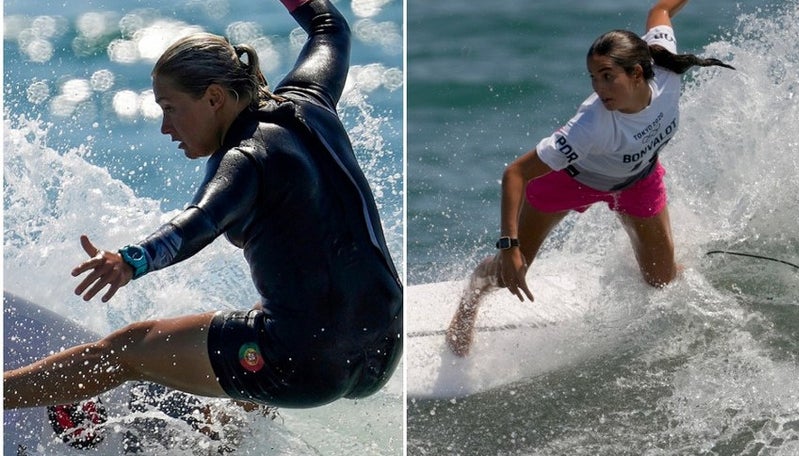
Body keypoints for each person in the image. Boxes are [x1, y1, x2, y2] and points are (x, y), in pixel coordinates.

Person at [5, 0, 402, 411]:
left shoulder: (245, 158)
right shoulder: (309, 100)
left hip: (303, 368)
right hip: (384, 347)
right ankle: (230, 433)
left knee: (127, 348)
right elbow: (329, 26)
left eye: (170, 108)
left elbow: (197, 223)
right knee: (267, 314)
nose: (165, 127)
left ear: (214, 98)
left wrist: (130, 261)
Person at [445, 0, 734, 357]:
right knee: (510, 274)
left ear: (638, 73)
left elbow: (661, 10)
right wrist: (509, 246)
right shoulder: (591, 124)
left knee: (662, 280)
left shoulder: (666, 68)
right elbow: (515, 173)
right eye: (594, 78)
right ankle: (469, 303)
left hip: (638, 180)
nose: (599, 88)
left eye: (608, 76)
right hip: (570, 181)